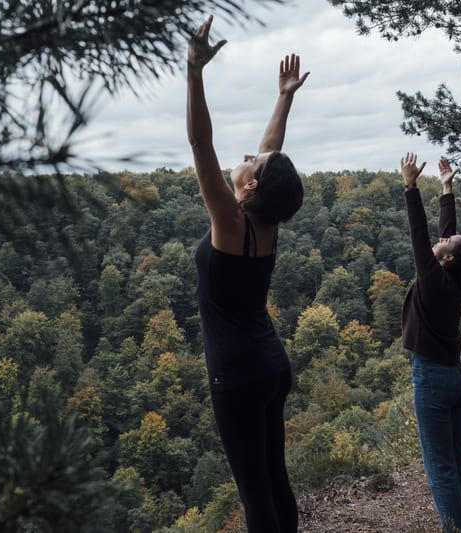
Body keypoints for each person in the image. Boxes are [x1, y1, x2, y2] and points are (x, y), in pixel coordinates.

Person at [186, 15, 309, 533]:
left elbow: (201, 146)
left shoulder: (232, 224)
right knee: (275, 476)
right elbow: (271, 151)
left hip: (235, 376)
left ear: (253, 188)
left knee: (254, 493)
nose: (246, 156)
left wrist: (194, 74)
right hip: (269, 367)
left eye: (251, 163)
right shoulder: (267, 222)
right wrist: (284, 97)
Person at [399, 153, 461, 532]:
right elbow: (443, 236)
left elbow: (420, 235)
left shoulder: (435, 280)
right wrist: (447, 188)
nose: (442, 238)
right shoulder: (455, 279)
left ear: (447, 257)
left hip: (434, 380)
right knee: (458, 459)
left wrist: (410, 187)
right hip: (455, 377)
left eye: (447, 242)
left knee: (440, 468)